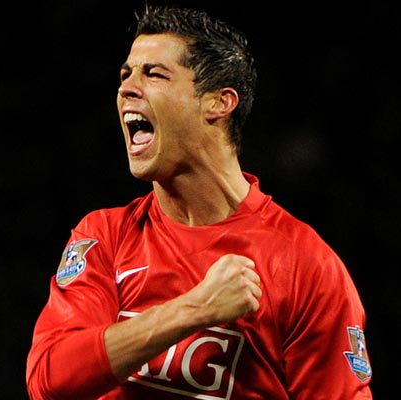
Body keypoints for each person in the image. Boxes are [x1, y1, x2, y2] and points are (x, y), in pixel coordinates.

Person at [26, 5, 372, 399]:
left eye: (153, 73)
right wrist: (195, 309)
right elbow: (49, 380)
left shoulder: (304, 264)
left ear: (219, 103)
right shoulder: (105, 236)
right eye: (126, 74)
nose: (126, 88)